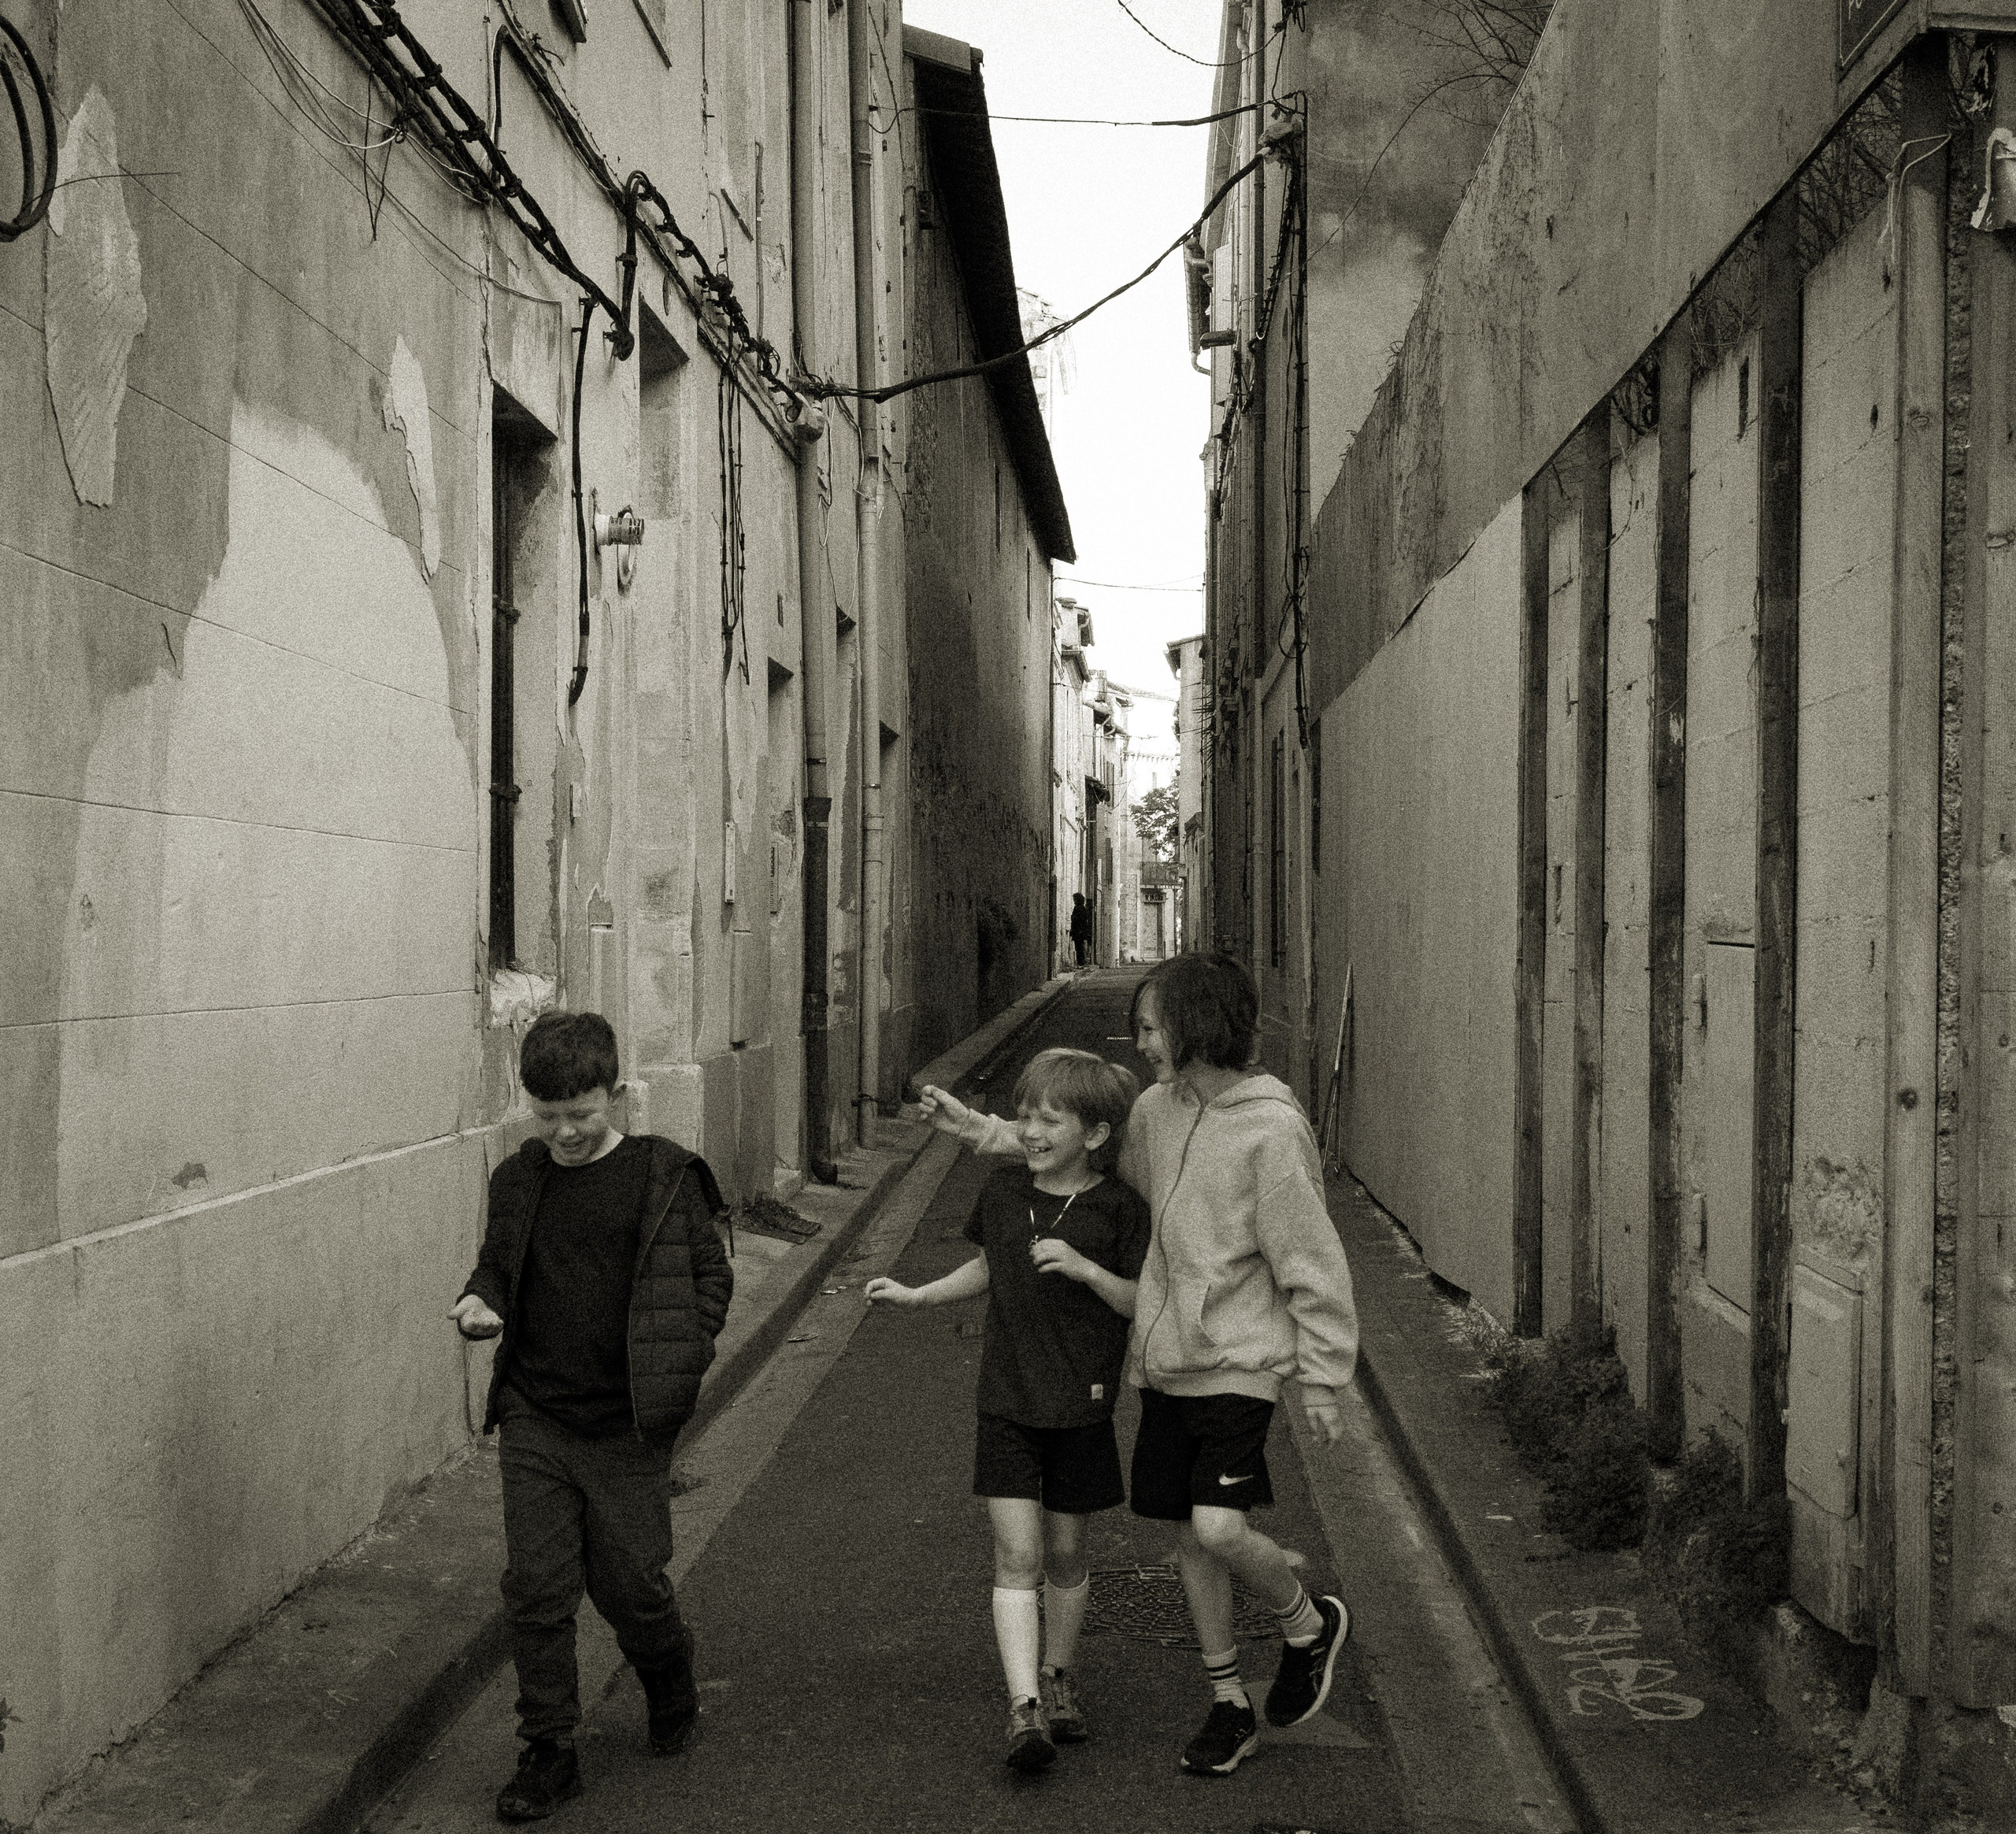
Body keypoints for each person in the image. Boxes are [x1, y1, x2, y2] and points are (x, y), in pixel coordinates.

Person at [920, 952, 1358, 1778]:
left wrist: (1325, 1375)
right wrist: (979, 1130)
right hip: (1166, 1363)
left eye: (1153, 1027)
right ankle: (1228, 1703)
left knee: (1219, 1528)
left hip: (1237, 1359)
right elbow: (1075, 1153)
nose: (1143, 1041)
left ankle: (1307, 1622)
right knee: (1191, 1542)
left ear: (1197, 1025)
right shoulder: (1156, 1110)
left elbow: (1310, 1257)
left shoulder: (1271, 1129)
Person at [450, 1010, 732, 1823]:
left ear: (614, 1093)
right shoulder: (518, 1180)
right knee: (537, 1589)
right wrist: (480, 1300)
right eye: (548, 1117)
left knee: (630, 1587)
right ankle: (549, 1750)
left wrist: (684, 1354)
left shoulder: (663, 1175)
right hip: (537, 1416)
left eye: (580, 1113)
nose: (565, 1133)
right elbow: (498, 1266)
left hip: (627, 1426)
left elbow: (710, 1278)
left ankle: (667, 1671)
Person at [866, 1048, 1149, 1772]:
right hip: (1008, 1402)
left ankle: (1058, 1675)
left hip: (1082, 1407)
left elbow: (1140, 1301)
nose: (1030, 1131)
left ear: (1095, 1134)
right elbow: (990, 1264)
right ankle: (1024, 1705)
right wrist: (919, 1295)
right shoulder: (1002, 1191)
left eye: (1049, 1119)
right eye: (1024, 1116)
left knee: (1067, 1552)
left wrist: (1086, 1269)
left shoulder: (1119, 1207)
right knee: (1018, 1554)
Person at [1069, 893, 1094, 968]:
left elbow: (1079, 920)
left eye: (1075, 899)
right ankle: (1081, 963)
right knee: (1079, 947)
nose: (1074, 901)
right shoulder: (1081, 908)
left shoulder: (1079, 908)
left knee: (1079, 948)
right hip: (1079, 931)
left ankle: (1081, 963)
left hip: (1078, 931)